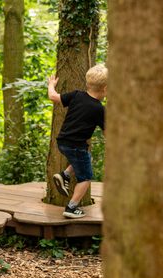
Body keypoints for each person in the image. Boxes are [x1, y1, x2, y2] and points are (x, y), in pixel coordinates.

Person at [47, 64, 107, 219]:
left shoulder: (76, 95)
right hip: (76, 147)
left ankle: (65, 175)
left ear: (87, 84)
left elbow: (53, 97)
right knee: (85, 178)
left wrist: (51, 85)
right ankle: (71, 207)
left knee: (83, 158)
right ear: (105, 89)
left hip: (63, 142)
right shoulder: (99, 109)